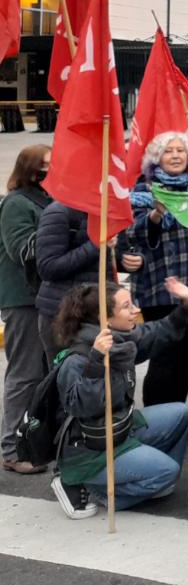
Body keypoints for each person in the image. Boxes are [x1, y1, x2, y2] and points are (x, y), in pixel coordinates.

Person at [51, 278, 188, 519]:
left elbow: (158, 333)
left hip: (119, 429)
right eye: (127, 306)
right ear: (105, 317)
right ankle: (89, 488)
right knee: (167, 471)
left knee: (180, 413)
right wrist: (97, 361)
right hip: (90, 451)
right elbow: (83, 406)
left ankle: (154, 481)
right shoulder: (76, 358)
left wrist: (186, 303)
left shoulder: (120, 339)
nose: (136, 310)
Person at [125, 132, 188, 416]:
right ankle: (157, 422)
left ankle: (176, 420)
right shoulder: (143, 191)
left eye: (181, 151)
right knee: (165, 359)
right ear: (156, 159)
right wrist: (155, 214)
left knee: (186, 357)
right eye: (168, 152)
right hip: (162, 289)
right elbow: (134, 234)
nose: (176, 155)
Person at [1, 145, 52, 473]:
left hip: (47, 298)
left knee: (48, 374)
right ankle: (10, 449)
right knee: (25, 374)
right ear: (32, 170)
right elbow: (23, 249)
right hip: (23, 299)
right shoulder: (16, 204)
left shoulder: (50, 200)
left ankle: (40, 440)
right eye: (49, 165)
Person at [35, 203, 134, 362]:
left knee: (105, 379)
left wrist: (133, 261)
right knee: (70, 379)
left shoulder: (109, 210)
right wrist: (96, 246)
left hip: (103, 312)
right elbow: (48, 267)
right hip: (65, 316)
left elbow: (115, 255)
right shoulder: (59, 212)